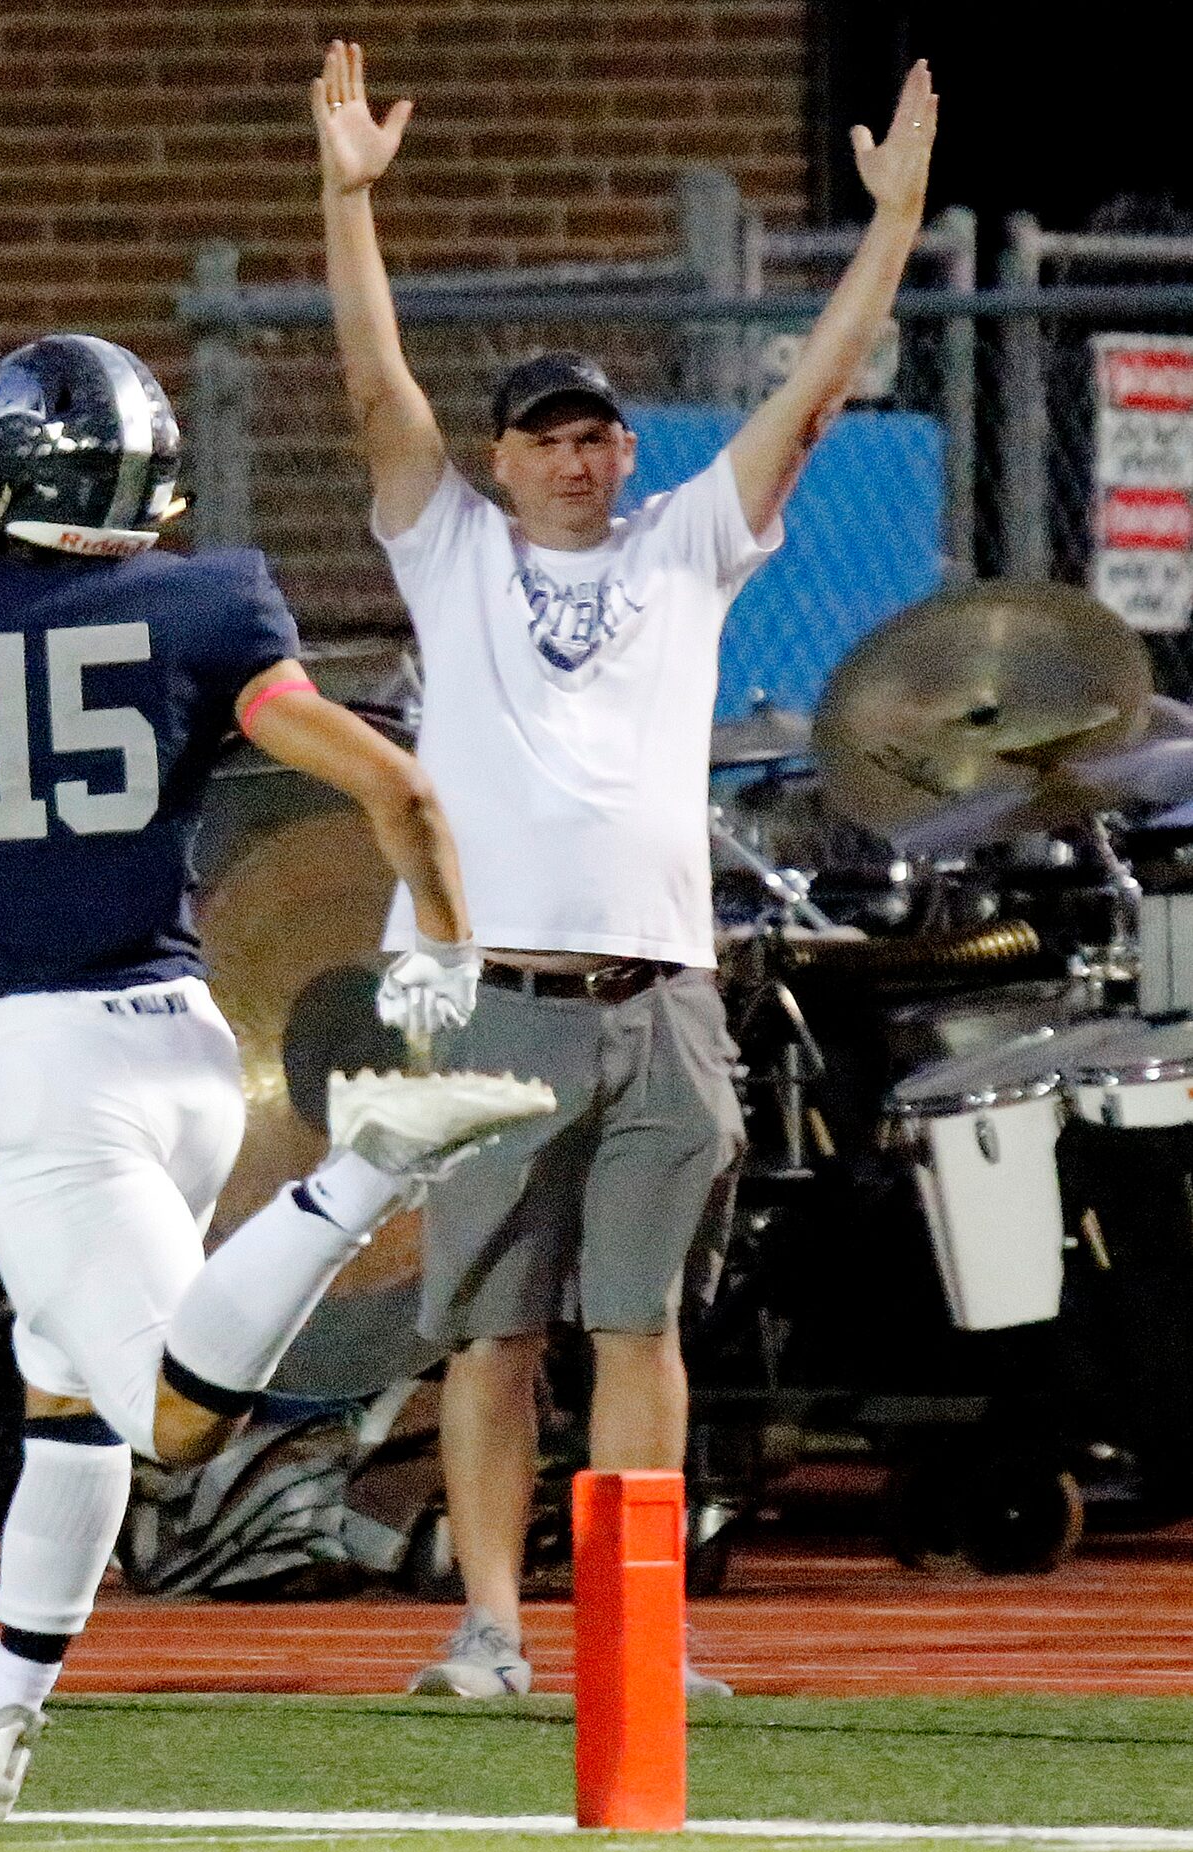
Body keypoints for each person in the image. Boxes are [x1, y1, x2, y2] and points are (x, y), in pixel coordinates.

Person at [0, 333, 553, 1814]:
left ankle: (374, 1156)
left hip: (52, 1062)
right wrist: (445, 969)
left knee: (169, 1419)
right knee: (60, 1395)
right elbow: (402, 787)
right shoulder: (205, 603)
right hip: (182, 1048)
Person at [310, 39, 939, 1696]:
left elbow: (813, 390)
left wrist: (895, 222)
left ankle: (637, 1640)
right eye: (547, 438)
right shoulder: (450, 550)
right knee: (493, 1334)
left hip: (664, 1000)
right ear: (503, 460)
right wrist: (347, 199)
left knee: (643, 1328)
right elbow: (381, 394)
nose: (579, 458)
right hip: (499, 1003)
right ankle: (495, 1632)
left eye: (597, 435)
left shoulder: (684, 548)